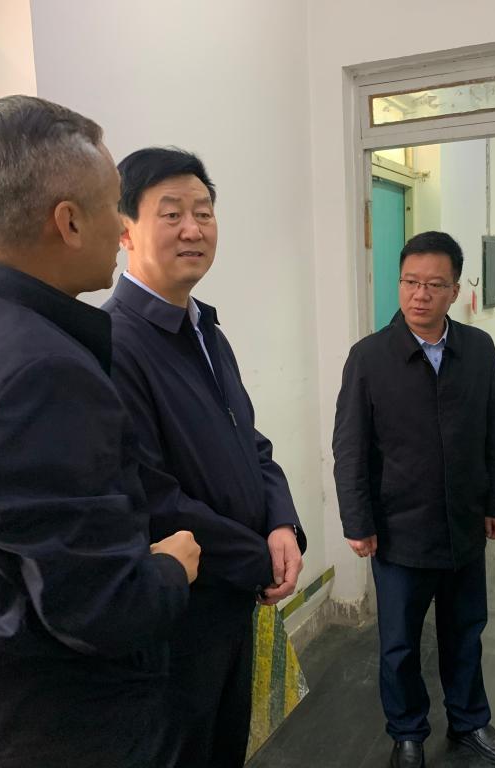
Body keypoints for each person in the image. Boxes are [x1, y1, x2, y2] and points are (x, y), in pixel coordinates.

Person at [0, 96, 201, 768]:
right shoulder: (42, 371)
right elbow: (100, 608)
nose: (121, 226)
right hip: (75, 728)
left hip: (3, 713)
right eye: (114, 206)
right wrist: (168, 568)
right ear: (68, 221)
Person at [104, 146, 306, 767]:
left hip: (234, 599)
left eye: (204, 212)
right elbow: (152, 499)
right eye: (171, 214)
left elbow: (251, 444)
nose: (193, 229)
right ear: (124, 230)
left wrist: (281, 522)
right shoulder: (115, 345)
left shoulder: (205, 330)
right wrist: (258, 559)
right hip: (180, 620)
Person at [332, 231, 495, 768]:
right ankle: (407, 732)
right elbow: (350, 447)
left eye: (434, 285)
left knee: (466, 632)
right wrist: (358, 520)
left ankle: (470, 720)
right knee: (399, 643)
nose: (420, 294)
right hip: (399, 530)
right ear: (399, 283)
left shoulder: (477, 349)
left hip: (463, 523)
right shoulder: (369, 358)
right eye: (410, 282)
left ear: (454, 291)